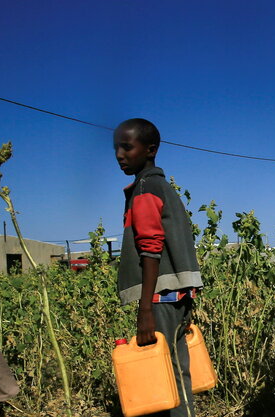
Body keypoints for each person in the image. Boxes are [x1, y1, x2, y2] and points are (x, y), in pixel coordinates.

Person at [114, 118, 202, 417]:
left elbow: (150, 250)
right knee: (178, 374)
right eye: (116, 147)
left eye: (127, 147)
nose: (119, 154)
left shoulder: (145, 188)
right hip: (175, 298)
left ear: (150, 150)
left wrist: (145, 310)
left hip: (159, 301)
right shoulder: (162, 185)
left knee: (166, 378)